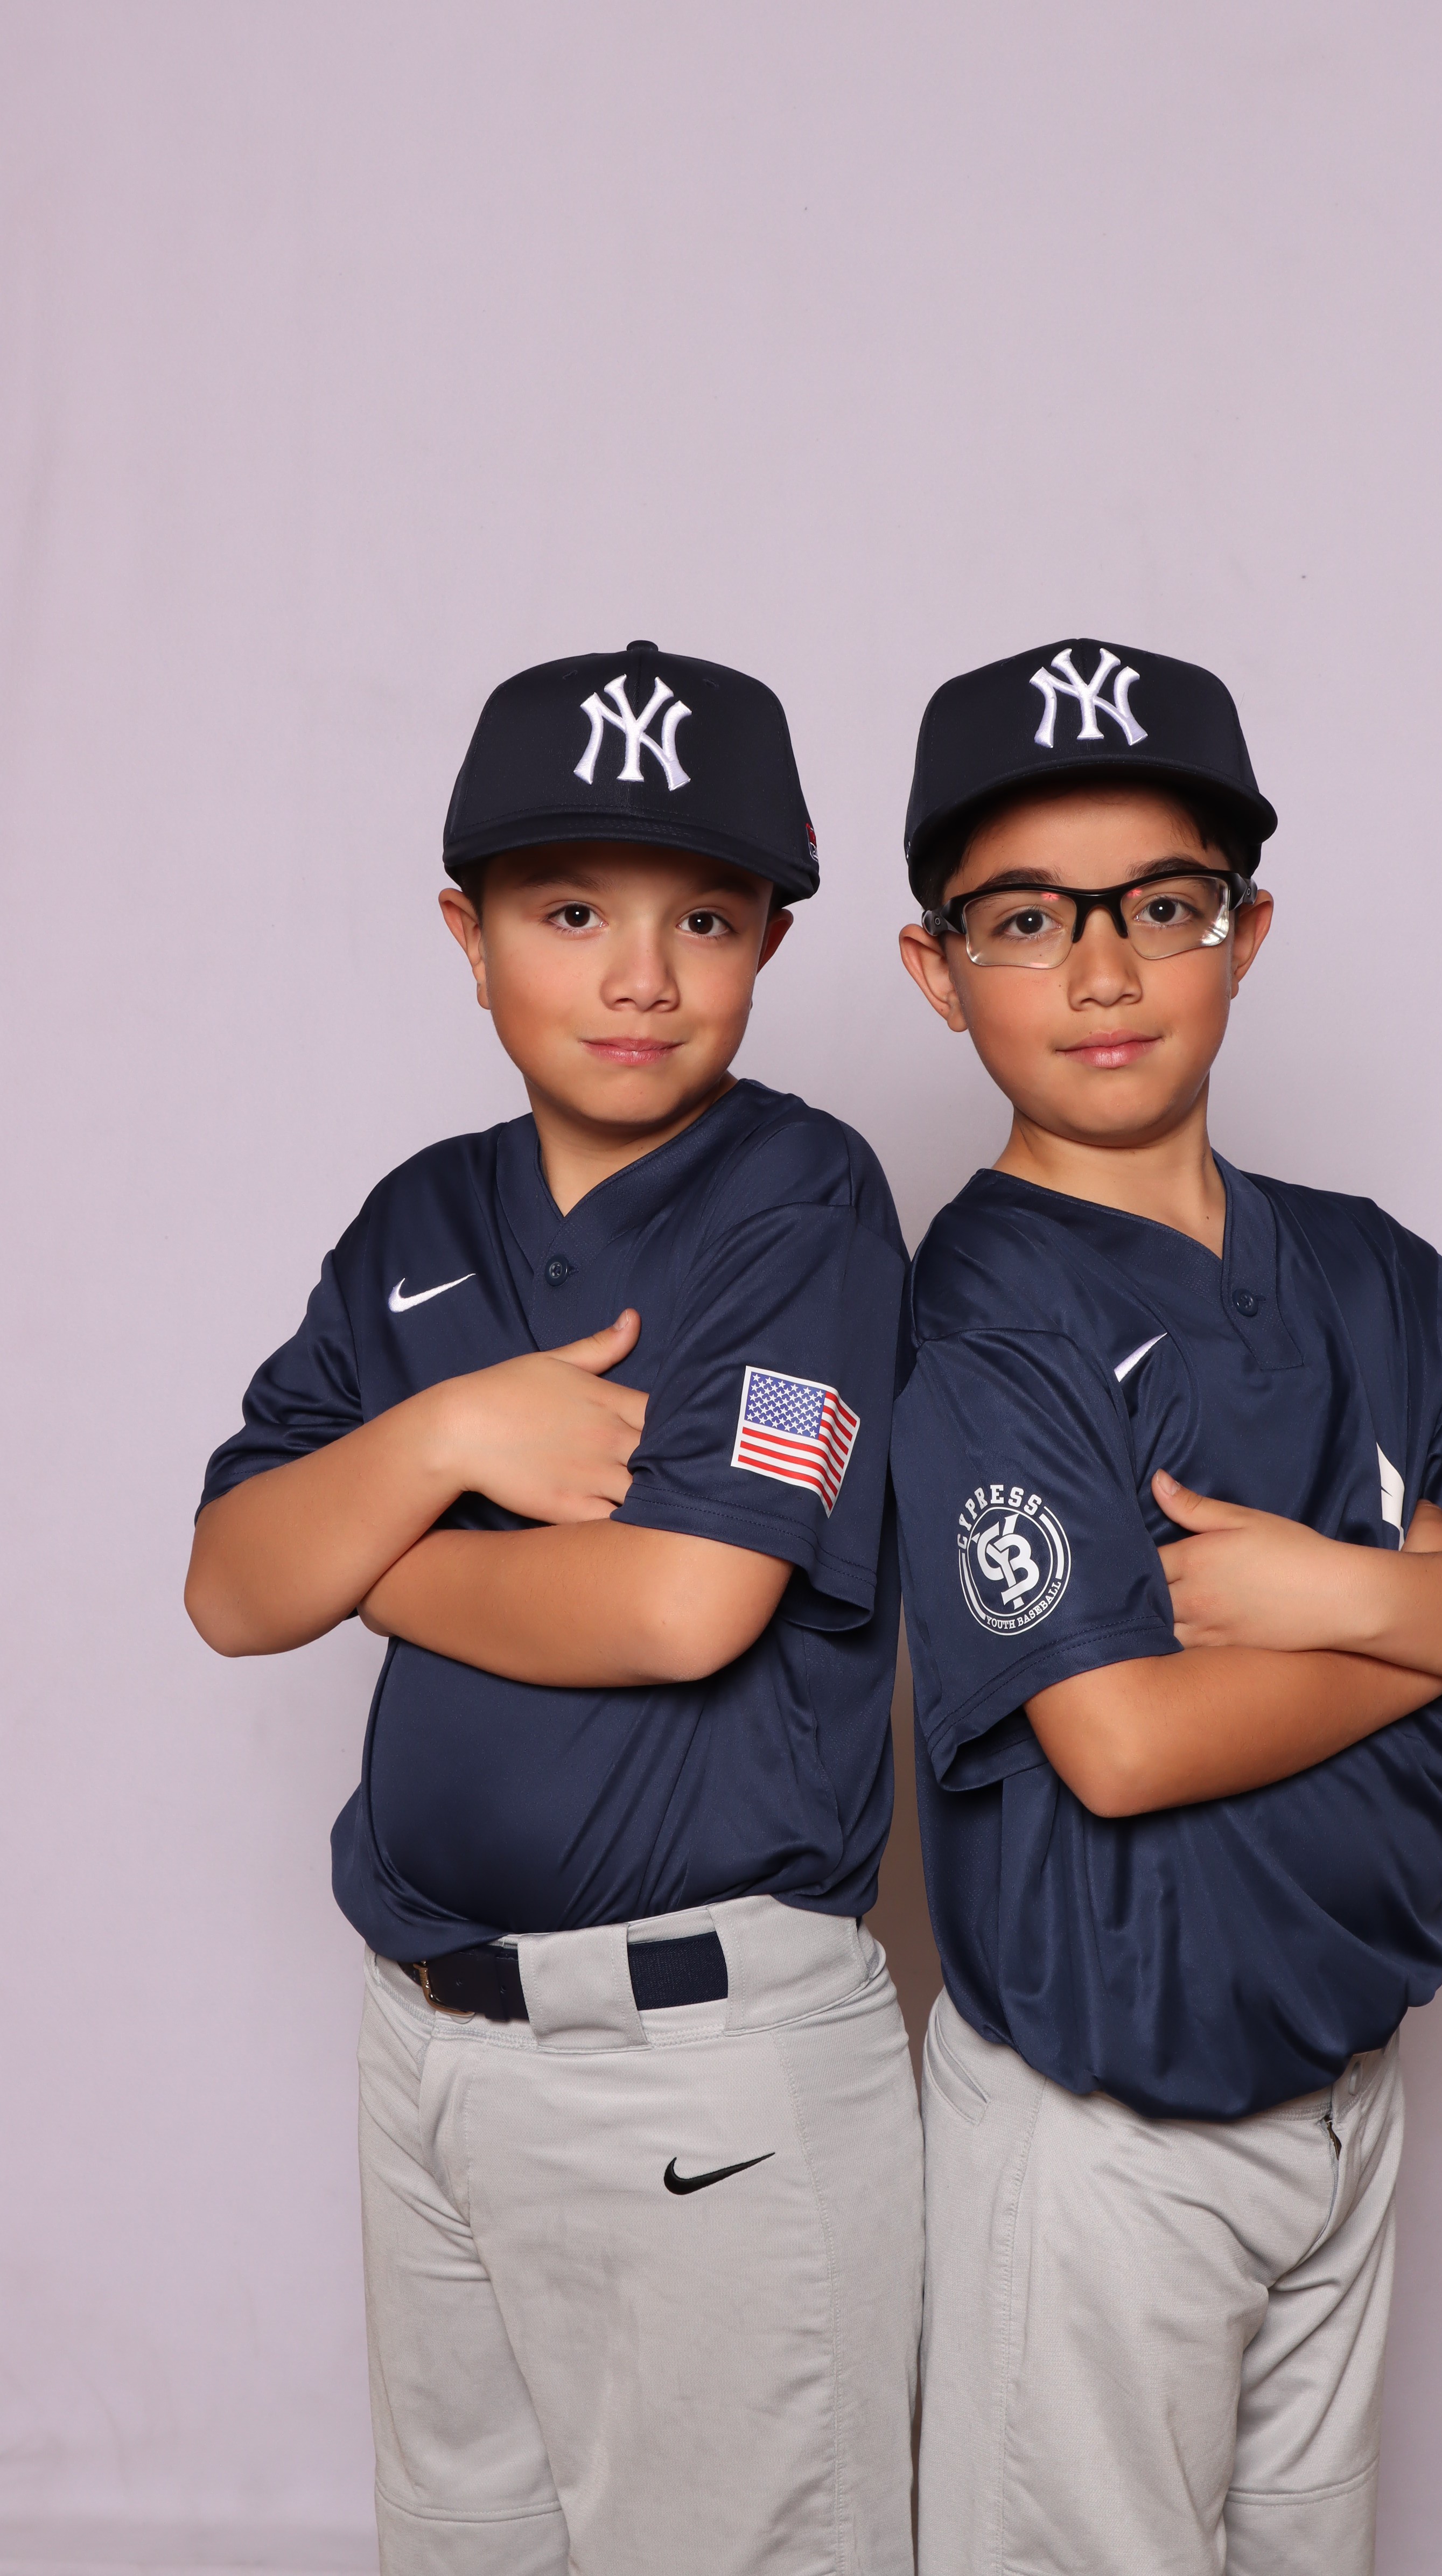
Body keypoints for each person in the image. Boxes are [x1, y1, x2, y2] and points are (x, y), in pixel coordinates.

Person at [890, 639, 1442, 2576]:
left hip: (1345, 2102)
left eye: (1164, 906)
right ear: (937, 972)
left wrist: (1327, 1592)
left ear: (1248, 931)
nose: (1105, 971)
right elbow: (1123, 1743)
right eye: (1026, 920)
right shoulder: (987, 1311)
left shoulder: (1378, 1271)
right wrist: (1435, 1614)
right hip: (1102, 2139)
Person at [185, 643, 922, 2576]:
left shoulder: (800, 1198)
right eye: (570, 910)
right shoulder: (417, 1221)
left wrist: (378, 1546)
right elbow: (235, 1586)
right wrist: (448, 1430)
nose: (640, 975)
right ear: (470, 933)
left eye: (707, 919)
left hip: (698, 2056)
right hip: (428, 2040)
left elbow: (683, 1604)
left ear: (769, 942)